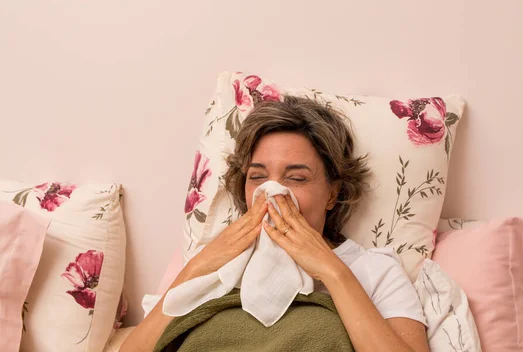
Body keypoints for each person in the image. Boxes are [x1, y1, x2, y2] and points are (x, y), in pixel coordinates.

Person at [122, 96, 429, 352]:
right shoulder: (212, 264)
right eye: (257, 177)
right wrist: (197, 268)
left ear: (332, 194)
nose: (273, 192)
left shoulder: (376, 269)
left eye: (296, 178)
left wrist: (331, 270)